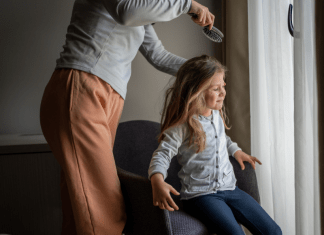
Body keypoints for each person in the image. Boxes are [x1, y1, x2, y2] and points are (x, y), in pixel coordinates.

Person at [39, 1, 216, 235]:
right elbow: (126, 12)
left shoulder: (138, 7)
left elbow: (158, 55)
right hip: (82, 88)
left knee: (81, 206)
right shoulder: (130, 7)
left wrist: (208, 75)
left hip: (102, 95)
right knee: (104, 209)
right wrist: (187, 4)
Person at [148, 55, 283, 235]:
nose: (223, 93)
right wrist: (157, 180)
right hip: (200, 196)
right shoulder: (182, 126)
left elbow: (223, 139)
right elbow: (162, 154)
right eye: (216, 89)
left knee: (273, 231)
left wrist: (236, 151)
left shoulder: (215, 116)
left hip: (230, 189)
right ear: (197, 92)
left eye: (223, 87)